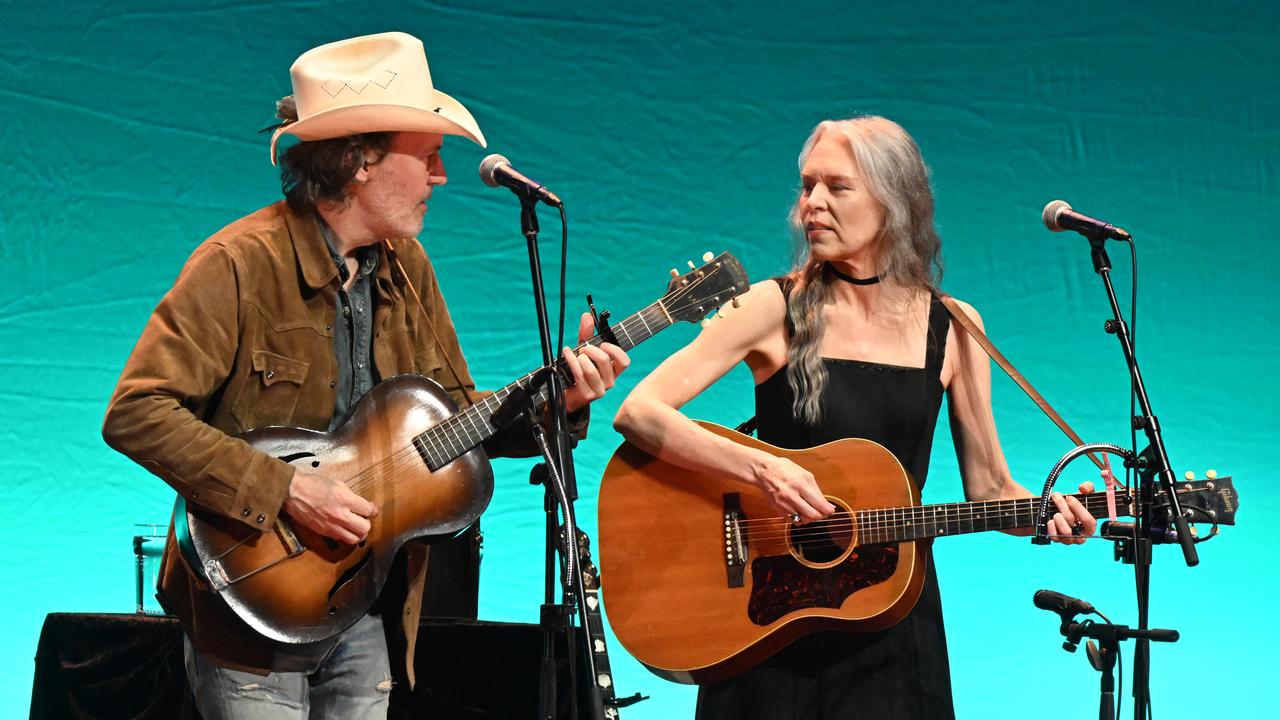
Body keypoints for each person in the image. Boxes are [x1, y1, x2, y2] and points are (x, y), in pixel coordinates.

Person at [102, 31, 628, 719]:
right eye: (428, 155)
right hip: (251, 607)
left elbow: (457, 421)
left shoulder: (409, 270)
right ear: (359, 163)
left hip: (365, 602)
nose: (441, 175)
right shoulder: (239, 263)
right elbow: (136, 413)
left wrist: (563, 401)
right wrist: (288, 488)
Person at [612, 115, 1096, 719]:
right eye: (806, 186)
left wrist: (1050, 516)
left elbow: (992, 489)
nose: (811, 204)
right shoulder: (771, 307)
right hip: (766, 620)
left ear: (893, 203)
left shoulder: (955, 328)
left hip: (890, 623)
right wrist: (762, 468)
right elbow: (639, 412)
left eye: (837, 187)